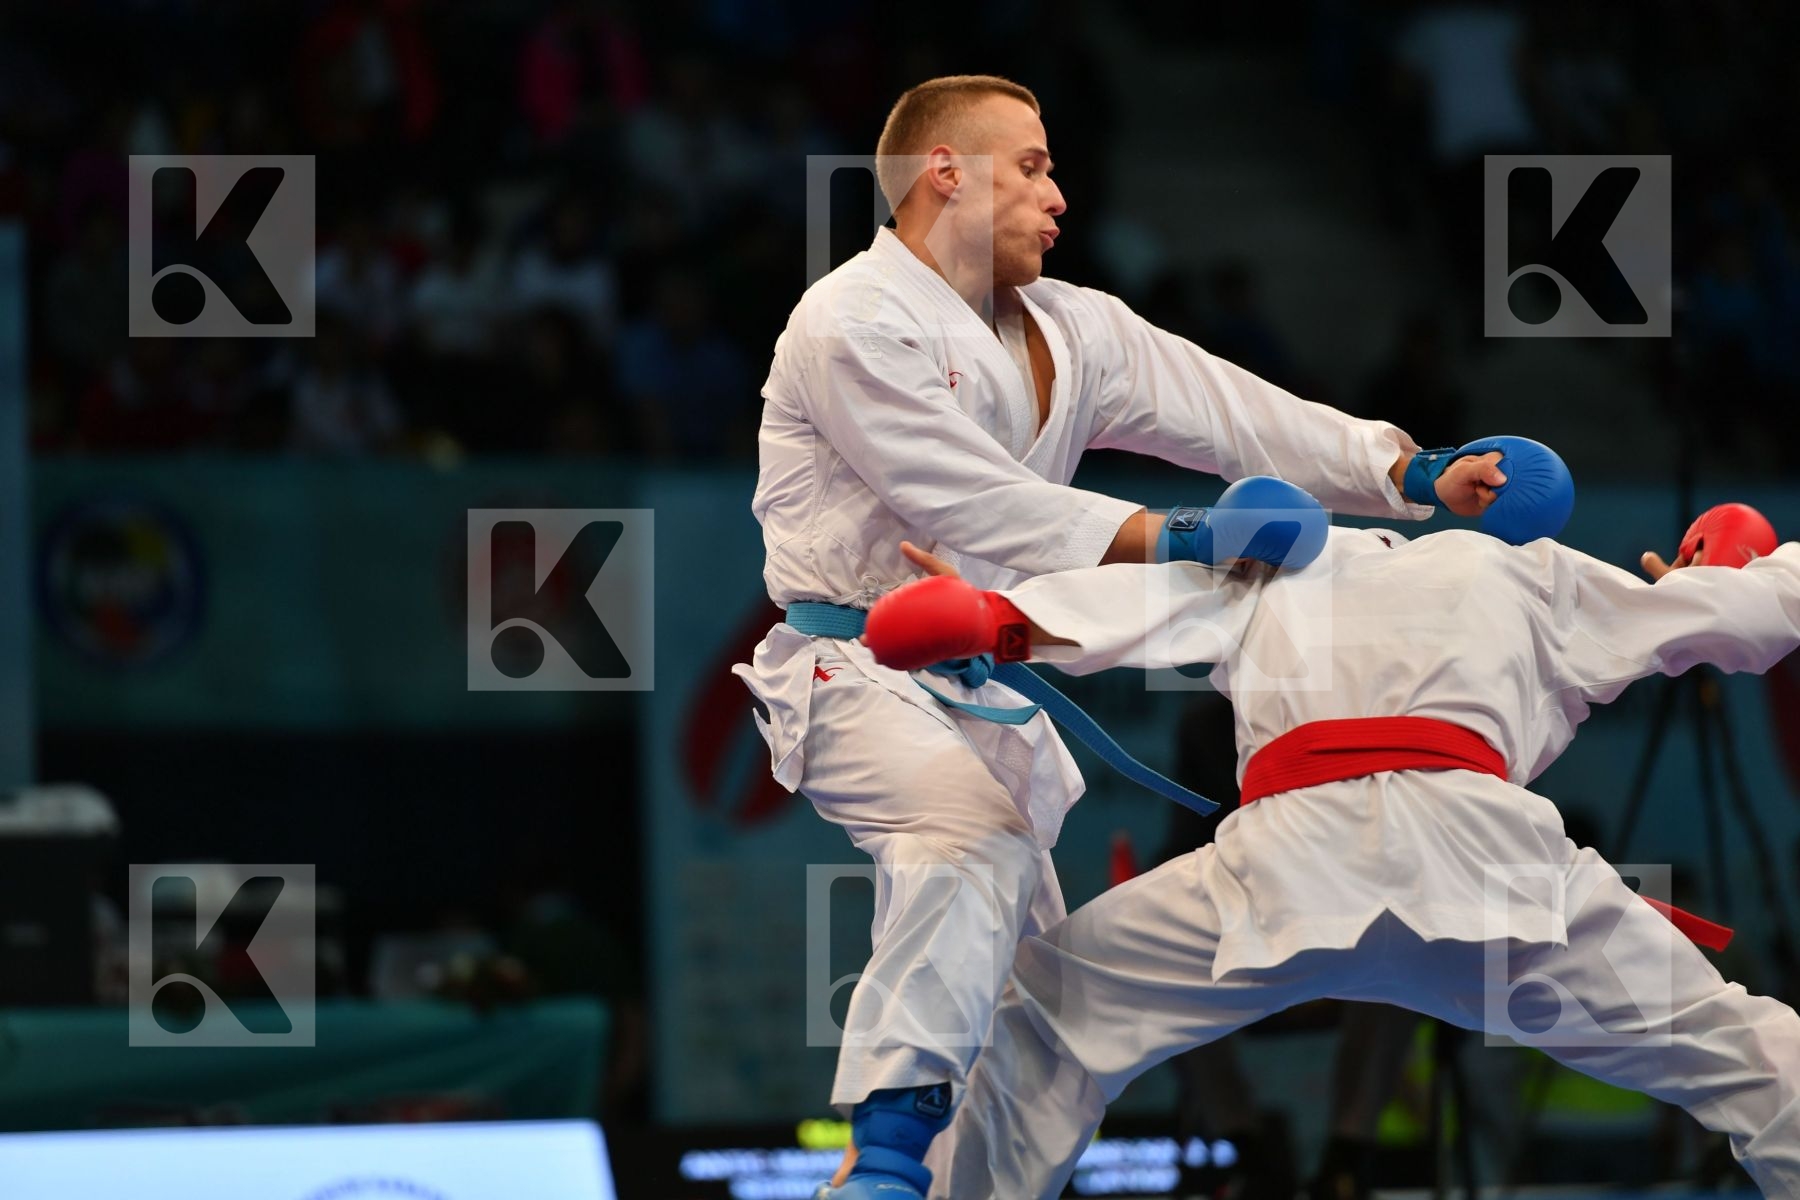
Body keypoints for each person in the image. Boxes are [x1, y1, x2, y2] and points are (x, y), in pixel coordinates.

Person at [732, 72, 1513, 1199]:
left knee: (1038, 1012)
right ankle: (888, 1156)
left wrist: (1406, 469)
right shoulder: (852, 317)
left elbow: (1237, 410)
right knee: (969, 841)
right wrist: (1185, 536)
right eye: (1034, 166)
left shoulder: (1075, 328)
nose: (1061, 195)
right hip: (856, 664)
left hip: (983, 681)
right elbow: (981, 505)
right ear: (943, 171)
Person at [862, 499, 1800, 1197]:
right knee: (1745, 1051)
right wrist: (1717, 579)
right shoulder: (1531, 568)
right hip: (1487, 870)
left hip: (1288, 868)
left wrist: (989, 619)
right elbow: (1760, 620)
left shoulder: (1274, 564)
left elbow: (1121, 616)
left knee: (1041, 1021)